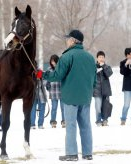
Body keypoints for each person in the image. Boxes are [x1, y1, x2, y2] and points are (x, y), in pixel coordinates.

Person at [38, 29, 96, 161]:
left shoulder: (66, 57)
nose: (67, 41)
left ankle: (72, 154)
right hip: (85, 97)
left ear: (73, 41)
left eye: (68, 39)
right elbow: (94, 79)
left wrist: (43, 75)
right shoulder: (90, 57)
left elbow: (57, 75)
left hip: (70, 97)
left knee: (71, 125)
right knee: (86, 125)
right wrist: (88, 91)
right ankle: (87, 153)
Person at [93, 51, 113, 126]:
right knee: (98, 107)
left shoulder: (107, 66)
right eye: (100, 57)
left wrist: (103, 66)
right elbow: (91, 75)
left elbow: (109, 74)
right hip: (96, 90)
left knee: (106, 106)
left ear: (104, 58)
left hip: (106, 90)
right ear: (97, 58)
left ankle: (105, 120)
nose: (101, 58)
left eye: (102, 57)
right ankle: (98, 121)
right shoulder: (93, 66)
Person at [46, 54, 65, 128]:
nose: (53, 63)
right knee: (54, 108)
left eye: (54, 61)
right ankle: (53, 121)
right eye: (52, 61)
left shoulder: (61, 69)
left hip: (62, 91)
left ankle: (64, 121)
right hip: (53, 92)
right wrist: (48, 86)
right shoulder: (49, 69)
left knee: (63, 108)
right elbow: (46, 79)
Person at [120, 48, 131, 125]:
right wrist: (126, 65)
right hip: (127, 86)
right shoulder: (123, 62)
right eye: (128, 54)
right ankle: (123, 119)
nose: (130, 56)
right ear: (126, 55)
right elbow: (122, 72)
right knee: (126, 105)